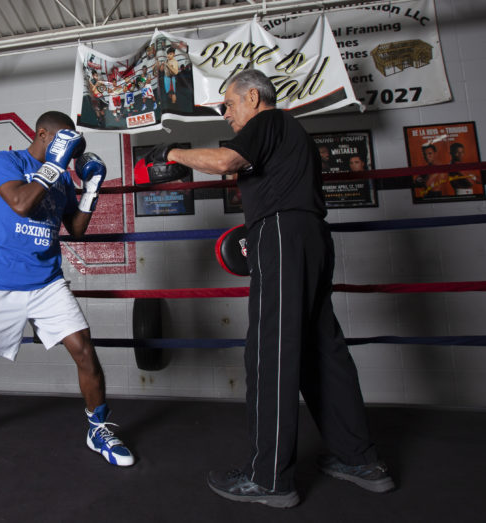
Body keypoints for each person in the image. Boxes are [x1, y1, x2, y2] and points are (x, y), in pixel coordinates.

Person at [151, 69, 394, 507]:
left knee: (271, 351)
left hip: (281, 233)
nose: (226, 114)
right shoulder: (289, 134)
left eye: (229, 104)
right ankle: (358, 459)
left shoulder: (268, 120)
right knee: (322, 350)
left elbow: (225, 162)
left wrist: (172, 152)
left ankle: (269, 478)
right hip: (309, 237)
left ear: (253, 97)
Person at [0, 111, 134, 467]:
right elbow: (20, 204)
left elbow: (76, 229)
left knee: (84, 351)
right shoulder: (6, 161)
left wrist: (92, 189)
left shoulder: (63, 179)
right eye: (63, 140)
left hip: (47, 282)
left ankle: (98, 429)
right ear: (43, 134)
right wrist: (55, 165)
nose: (69, 151)